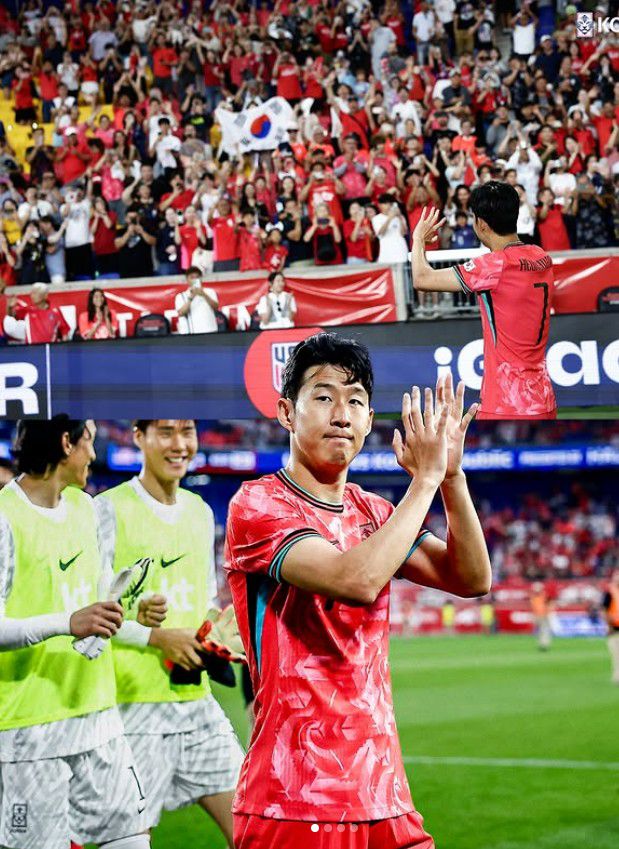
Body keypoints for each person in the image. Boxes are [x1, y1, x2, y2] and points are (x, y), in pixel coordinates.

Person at [225, 332, 491, 849]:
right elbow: (356, 581)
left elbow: (471, 578)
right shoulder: (258, 505)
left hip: (383, 793)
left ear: (369, 420)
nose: (341, 415)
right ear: (286, 412)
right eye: (324, 396)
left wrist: (451, 477)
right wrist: (425, 480)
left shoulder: (374, 511)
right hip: (295, 799)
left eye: (355, 402)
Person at [0, 417, 159, 849]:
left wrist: (133, 608)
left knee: (132, 840)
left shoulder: (88, 510)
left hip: (98, 716)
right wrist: (67, 622)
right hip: (30, 731)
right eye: (89, 440)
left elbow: (96, 597)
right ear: (66, 443)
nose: (94, 453)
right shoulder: (4, 516)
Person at [94, 420, 244, 848]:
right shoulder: (106, 510)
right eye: (165, 432)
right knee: (127, 843)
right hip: (129, 710)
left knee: (256, 829)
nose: (179, 444)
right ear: (138, 437)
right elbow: (85, 614)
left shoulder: (200, 511)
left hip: (196, 704)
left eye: (187, 431)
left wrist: (216, 632)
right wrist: (156, 637)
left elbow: (204, 599)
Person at [411, 183, 557, 420]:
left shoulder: (494, 265)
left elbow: (421, 278)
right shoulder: (541, 256)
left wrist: (418, 239)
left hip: (506, 404)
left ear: (481, 224)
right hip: (544, 399)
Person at [4, 283, 71, 344]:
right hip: (32, 349)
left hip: (50, 349)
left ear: (45, 296)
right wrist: (9, 307)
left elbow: (64, 331)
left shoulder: (55, 312)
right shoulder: (28, 310)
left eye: (35, 293)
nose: (32, 296)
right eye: (32, 293)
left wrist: (64, 348)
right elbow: (11, 314)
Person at [174, 266, 219, 335]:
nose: (195, 280)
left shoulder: (210, 292)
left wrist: (204, 295)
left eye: (197, 277)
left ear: (201, 279)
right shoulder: (181, 296)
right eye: (192, 277)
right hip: (192, 334)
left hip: (210, 330)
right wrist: (191, 297)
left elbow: (216, 307)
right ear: (187, 279)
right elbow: (181, 313)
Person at [372, 194, 409, 264]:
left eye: (390, 203)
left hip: (400, 251)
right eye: (385, 203)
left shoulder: (400, 217)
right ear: (379, 205)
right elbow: (380, 233)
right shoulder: (376, 218)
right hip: (386, 252)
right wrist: (390, 218)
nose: (388, 205)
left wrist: (399, 217)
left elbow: (403, 233)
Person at [602, 570, 619, 685]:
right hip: (614, 629)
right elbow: (604, 610)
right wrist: (608, 625)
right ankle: (617, 676)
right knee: (616, 655)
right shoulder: (609, 593)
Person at [530, 582, 552, 651]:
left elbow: (550, 604)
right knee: (540, 632)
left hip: (544, 615)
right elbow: (533, 607)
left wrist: (548, 613)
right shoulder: (533, 597)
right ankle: (542, 644)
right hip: (537, 616)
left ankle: (544, 645)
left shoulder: (545, 595)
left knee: (544, 631)